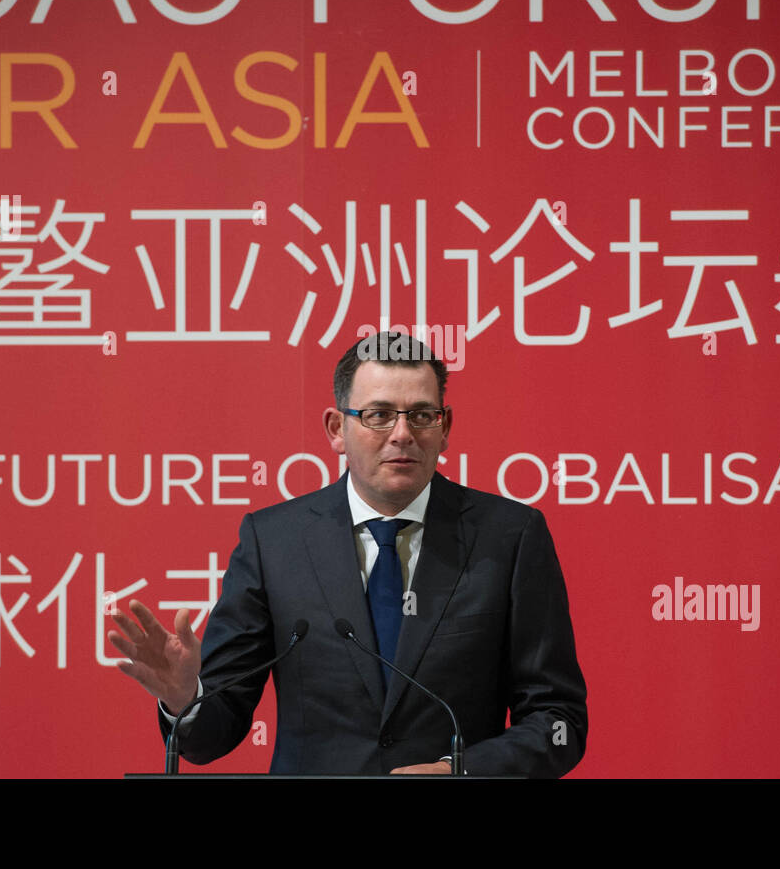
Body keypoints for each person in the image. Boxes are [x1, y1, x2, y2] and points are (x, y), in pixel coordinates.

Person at [108, 331, 587, 776]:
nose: (402, 434)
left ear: (445, 428)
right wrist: (183, 697)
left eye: (422, 415)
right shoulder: (273, 541)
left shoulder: (510, 536)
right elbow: (213, 734)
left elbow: (557, 719)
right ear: (336, 428)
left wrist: (460, 769)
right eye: (378, 415)